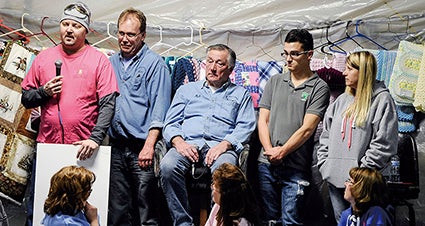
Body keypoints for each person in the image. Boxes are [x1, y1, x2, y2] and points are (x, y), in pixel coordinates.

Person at [20, 2, 119, 225]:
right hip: (48, 147)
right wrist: (44, 92)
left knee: (83, 213)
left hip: (83, 152)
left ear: (86, 30)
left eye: (76, 25)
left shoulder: (99, 60)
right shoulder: (44, 57)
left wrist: (95, 139)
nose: (69, 29)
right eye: (65, 24)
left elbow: (108, 104)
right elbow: (26, 99)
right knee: (38, 210)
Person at [160, 44, 256, 226]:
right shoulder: (186, 90)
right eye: (209, 61)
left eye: (219, 63)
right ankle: (182, 222)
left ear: (230, 69)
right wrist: (178, 142)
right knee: (168, 166)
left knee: (225, 171)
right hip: (187, 143)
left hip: (222, 146)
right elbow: (171, 123)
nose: (212, 67)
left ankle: (219, 221)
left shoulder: (241, 94)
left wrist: (225, 144)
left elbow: (246, 126)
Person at [256, 29, 330, 225]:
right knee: (270, 220)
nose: (288, 59)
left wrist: (283, 152)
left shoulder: (319, 87)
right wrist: (269, 150)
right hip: (266, 163)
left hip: (296, 166)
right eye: (285, 53)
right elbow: (263, 120)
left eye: (294, 54)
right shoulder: (275, 81)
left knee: (291, 221)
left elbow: (307, 129)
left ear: (309, 55)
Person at [107, 8, 171, 226]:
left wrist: (149, 146)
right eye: (121, 33)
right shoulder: (111, 63)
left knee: (147, 209)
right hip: (116, 146)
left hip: (142, 148)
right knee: (117, 208)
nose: (125, 39)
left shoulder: (155, 64)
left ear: (143, 35)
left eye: (131, 34)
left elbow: (159, 110)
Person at [317, 51, 398, 224]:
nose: (344, 73)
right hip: (335, 178)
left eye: (349, 68)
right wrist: (326, 165)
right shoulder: (341, 100)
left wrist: (359, 176)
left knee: (368, 221)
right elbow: (326, 136)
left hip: (364, 184)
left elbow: (384, 143)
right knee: (344, 222)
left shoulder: (382, 100)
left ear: (363, 71)